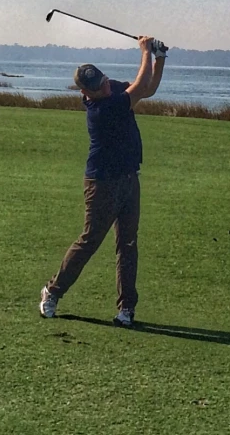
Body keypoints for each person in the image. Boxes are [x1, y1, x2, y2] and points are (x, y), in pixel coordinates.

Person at [39, 35, 166, 327]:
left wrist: (160, 58)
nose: (105, 86)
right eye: (98, 87)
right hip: (102, 184)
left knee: (128, 244)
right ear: (86, 92)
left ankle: (126, 310)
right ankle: (52, 291)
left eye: (105, 80)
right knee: (89, 242)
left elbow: (148, 88)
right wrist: (146, 50)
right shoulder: (102, 110)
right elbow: (139, 84)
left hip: (129, 179)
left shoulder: (110, 91)